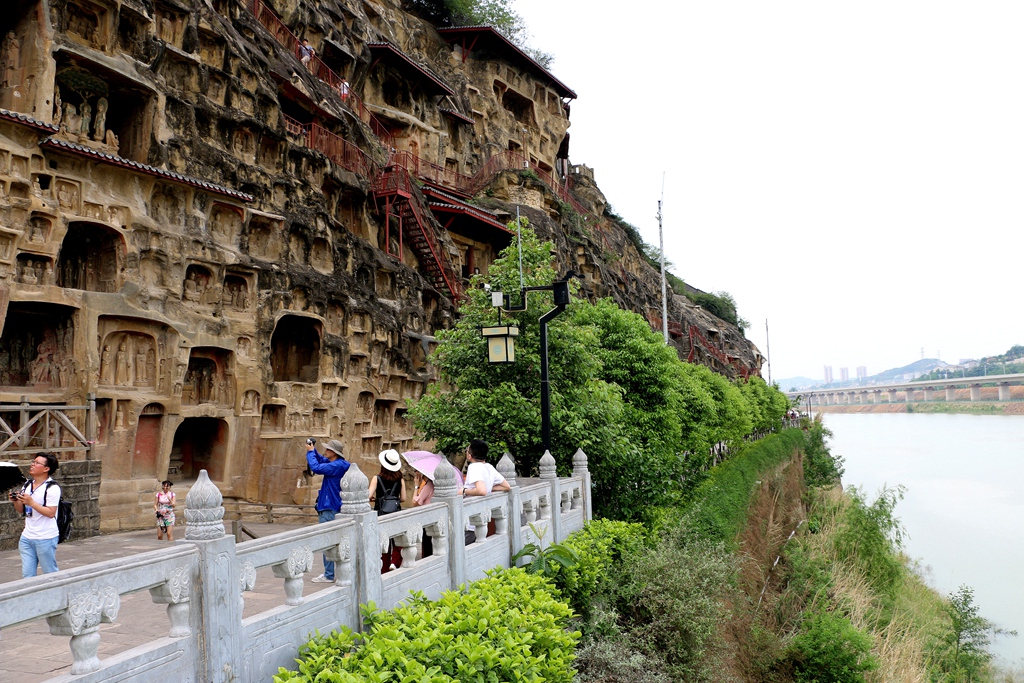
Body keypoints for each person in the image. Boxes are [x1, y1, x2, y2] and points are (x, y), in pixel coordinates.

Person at [306, 439, 350, 583]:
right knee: (337, 540)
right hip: (336, 506)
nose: (326, 451)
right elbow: (322, 460)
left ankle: (329, 574)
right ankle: (334, 572)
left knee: (327, 541)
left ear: (334, 453)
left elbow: (316, 467)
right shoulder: (341, 464)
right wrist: (314, 451)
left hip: (329, 506)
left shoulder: (335, 466)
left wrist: (310, 453)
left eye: (328, 449)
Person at [11, 453, 61, 578]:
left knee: (50, 573)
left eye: (37, 463)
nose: (32, 464)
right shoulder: (27, 485)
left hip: (45, 537)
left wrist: (31, 502)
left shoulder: (52, 488)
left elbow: (51, 513)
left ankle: (55, 595)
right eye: (33, 461)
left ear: (46, 469)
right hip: (27, 536)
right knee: (27, 575)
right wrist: (16, 501)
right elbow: (21, 510)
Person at [462, 439, 509, 545]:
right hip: (480, 520)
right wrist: (489, 488)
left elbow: (481, 491)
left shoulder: (474, 467)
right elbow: (506, 486)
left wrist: (464, 491)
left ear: (470, 455)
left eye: (467, 450)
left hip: (470, 520)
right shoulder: (489, 467)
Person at [368, 449, 406, 572]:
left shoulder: (376, 478)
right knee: (396, 539)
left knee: (383, 542)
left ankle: (384, 568)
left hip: (381, 514)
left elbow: (368, 496)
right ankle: (395, 563)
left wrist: (377, 499)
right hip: (395, 513)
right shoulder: (400, 479)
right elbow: (404, 498)